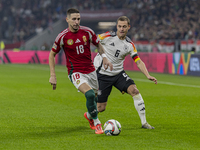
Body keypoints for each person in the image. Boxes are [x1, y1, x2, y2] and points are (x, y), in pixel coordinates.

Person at [49, 8, 113, 134]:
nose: (76, 21)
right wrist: (53, 75)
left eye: (78, 19)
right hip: (75, 72)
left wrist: (105, 58)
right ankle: (97, 123)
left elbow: (98, 45)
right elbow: (52, 54)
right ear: (67, 20)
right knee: (89, 95)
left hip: (90, 70)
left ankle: (89, 116)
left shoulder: (88, 32)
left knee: (94, 100)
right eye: (74, 19)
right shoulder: (62, 36)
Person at [94, 16, 157, 129]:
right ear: (116, 26)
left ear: (128, 27)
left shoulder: (129, 45)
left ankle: (144, 123)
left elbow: (138, 61)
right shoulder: (108, 36)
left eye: (124, 26)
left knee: (135, 91)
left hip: (118, 74)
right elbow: (93, 40)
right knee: (100, 108)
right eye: (119, 26)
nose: (121, 29)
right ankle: (89, 115)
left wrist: (147, 75)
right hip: (103, 75)